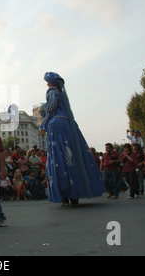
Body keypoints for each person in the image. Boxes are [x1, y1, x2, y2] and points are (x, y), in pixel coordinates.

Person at [39, 72, 106, 205]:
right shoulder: (62, 94)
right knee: (74, 157)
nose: (46, 84)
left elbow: (51, 109)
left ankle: (64, 194)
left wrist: (44, 124)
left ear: (51, 82)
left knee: (58, 159)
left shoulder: (51, 92)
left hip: (56, 125)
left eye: (47, 81)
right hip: (69, 125)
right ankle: (75, 193)